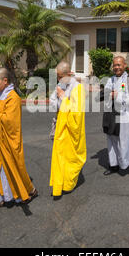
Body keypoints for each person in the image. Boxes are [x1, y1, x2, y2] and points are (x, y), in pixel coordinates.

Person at [0, 67, 37, 213]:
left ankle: (28, 191)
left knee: (14, 167)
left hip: (8, 141)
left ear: (5, 81)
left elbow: (10, 123)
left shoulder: (13, 98)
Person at [49, 62, 86, 197]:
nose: (58, 80)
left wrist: (64, 98)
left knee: (70, 157)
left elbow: (77, 113)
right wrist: (61, 99)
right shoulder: (60, 85)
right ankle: (60, 182)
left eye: (60, 76)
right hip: (60, 125)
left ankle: (69, 183)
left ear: (69, 74)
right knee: (60, 156)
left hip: (71, 127)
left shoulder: (78, 88)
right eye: (57, 77)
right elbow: (52, 102)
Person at [103, 56, 129, 175]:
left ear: (125, 65)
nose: (116, 67)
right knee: (112, 138)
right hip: (111, 113)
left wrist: (118, 96)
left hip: (125, 114)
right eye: (114, 65)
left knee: (125, 140)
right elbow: (106, 94)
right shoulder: (111, 80)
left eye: (119, 65)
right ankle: (114, 164)